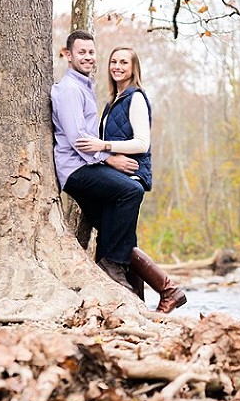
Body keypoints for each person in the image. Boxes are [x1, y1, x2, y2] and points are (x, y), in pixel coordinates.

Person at [51, 31, 186, 313]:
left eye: (91, 52)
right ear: (68, 55)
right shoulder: (71, 89)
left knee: (119, 236)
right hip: (77, 169)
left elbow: (140, 142)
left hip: (96, 165)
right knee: (127, 202)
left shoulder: (127, 96)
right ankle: (155, 284)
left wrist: (105, 153)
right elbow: (79, 138)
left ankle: (141, 300)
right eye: (82, 52)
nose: (88, 57)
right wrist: (109, 158)